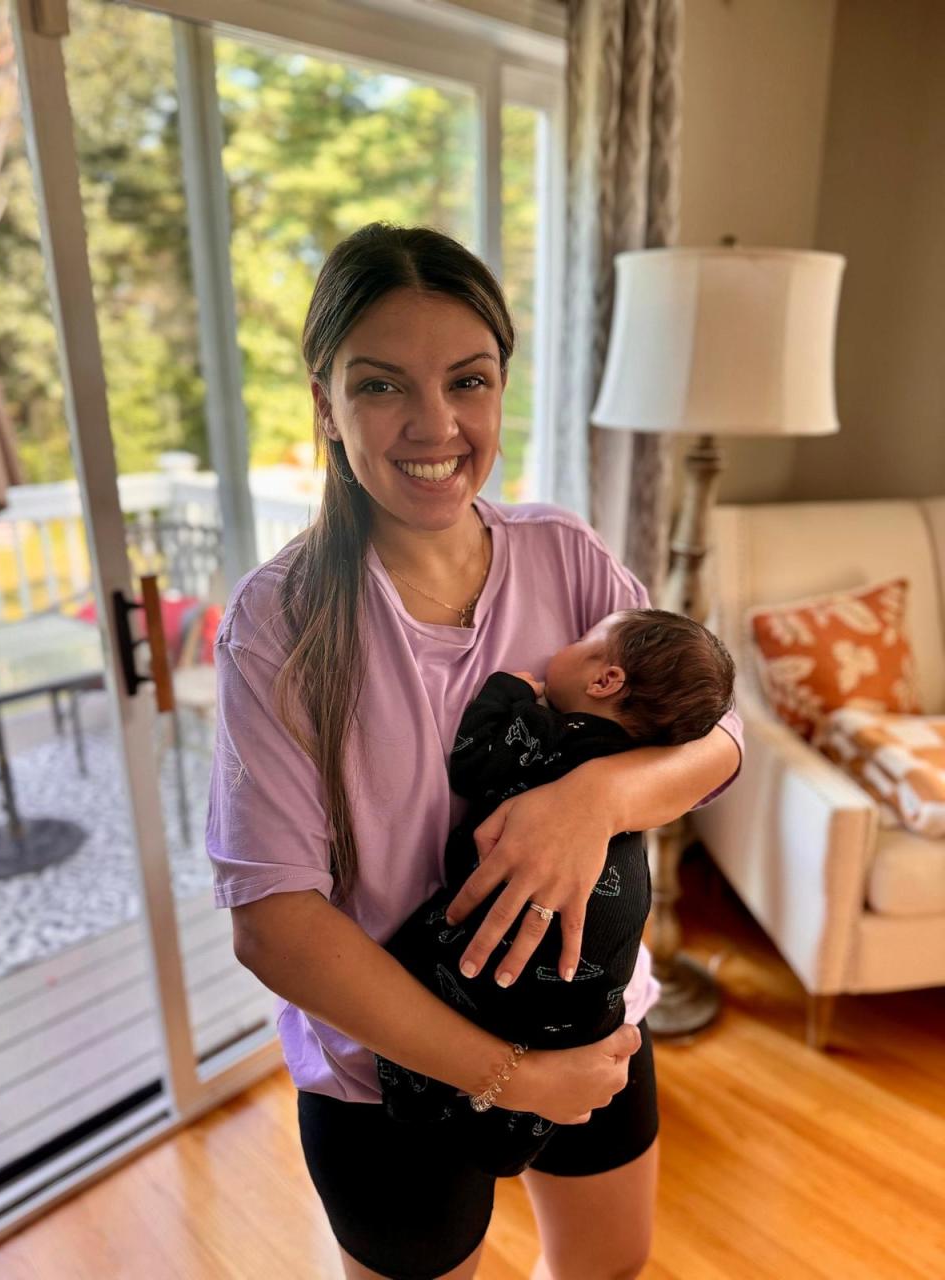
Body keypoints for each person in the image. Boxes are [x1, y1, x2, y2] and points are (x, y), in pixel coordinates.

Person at [206, 222, 743, 1280]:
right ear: (324, 402)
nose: (435, 424)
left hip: (593, 1032)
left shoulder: (565, 555)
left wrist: (594, 795)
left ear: (501, 387)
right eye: (380, 386)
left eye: (468, 379)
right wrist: (512, 1074)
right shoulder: (282, 623)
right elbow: (273, 924)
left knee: (608, 1260)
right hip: (387, 1076)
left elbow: (723, 740)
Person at [375, 609, 736, 1180]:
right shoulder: (647, 760)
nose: (563, 646)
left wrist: (508, 690)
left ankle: (412, 1099)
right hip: (602, 968)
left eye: (581, 642)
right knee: (559, 1031)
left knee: (410, 961)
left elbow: (472, 761)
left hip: (511, 933)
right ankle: (513, 1146)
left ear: (604, 680)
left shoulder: (551, 735)